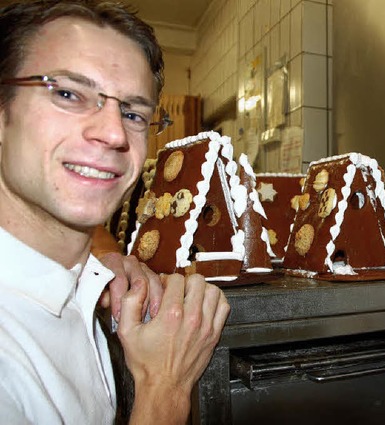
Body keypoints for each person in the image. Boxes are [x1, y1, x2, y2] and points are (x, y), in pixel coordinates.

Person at [0, 1, 230, 423]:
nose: (113, 133)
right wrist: (165, 388)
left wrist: (94, 273)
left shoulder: (85, 284)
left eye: (132, 112)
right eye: (69, 94)